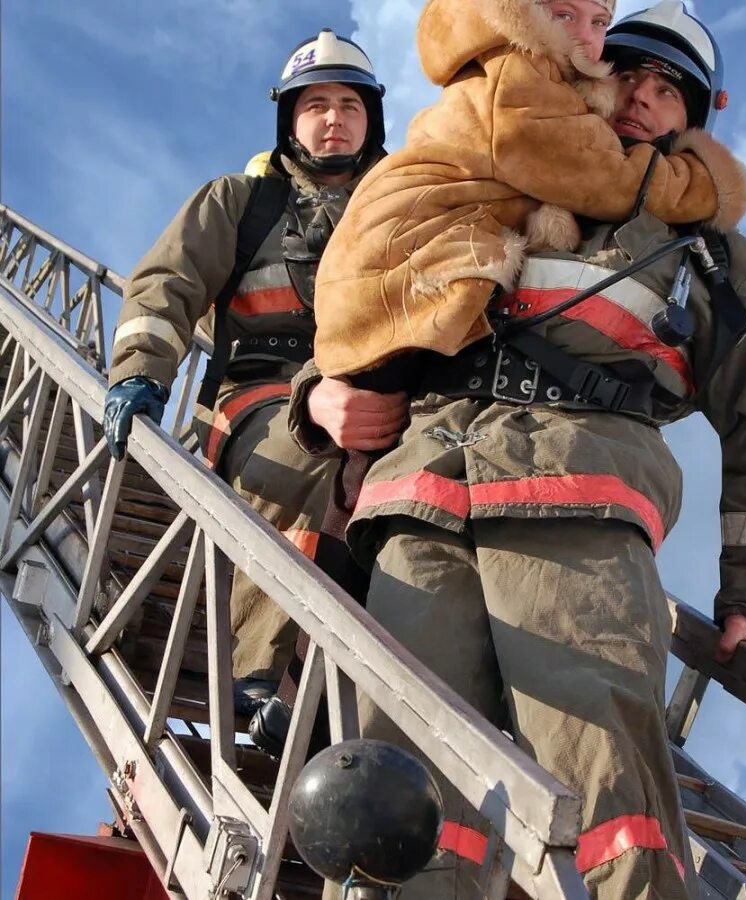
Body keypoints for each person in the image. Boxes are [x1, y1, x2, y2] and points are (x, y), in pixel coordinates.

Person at [291, 3, 746, 898]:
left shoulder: (714, 255)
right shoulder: (490, 179)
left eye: (669, 94)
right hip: (420, 500)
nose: (643, 103)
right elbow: (375, 308)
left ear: (694, 119)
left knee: (610, 787)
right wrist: (319, 397)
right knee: (399, 787)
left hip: (578, 508)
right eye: (631, 80)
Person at [102, 30, 408, 718]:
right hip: (260, 397)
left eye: (351, 106)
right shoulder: (240, 203)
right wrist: (138, 373)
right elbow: (165, 283)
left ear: (372, 120)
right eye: (316, 104)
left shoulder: (405, 220)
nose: (334, 118)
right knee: (307, 458)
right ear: (289, 119)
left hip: (382, 401)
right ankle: (275, 673)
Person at [311, 0, 746, 380]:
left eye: (599, 22)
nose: (639, 97)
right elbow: (607, 177)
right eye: (564, 14)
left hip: (406, 298)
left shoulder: (716, 257)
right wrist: (706, 185)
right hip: (397, 286)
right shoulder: (518, 75)